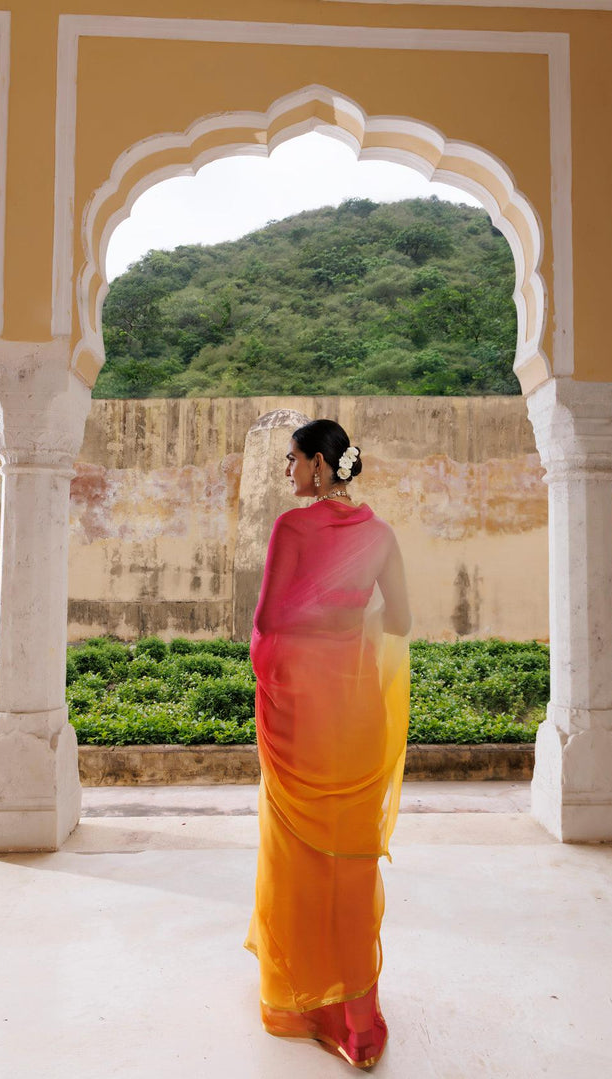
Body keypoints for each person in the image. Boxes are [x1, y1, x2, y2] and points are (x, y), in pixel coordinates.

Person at [245, 418, 411, 1069]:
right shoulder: (380, 536)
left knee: (303, 862)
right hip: (358, 717)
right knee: (352, 860)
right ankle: (359, 1014)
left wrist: (295, 654)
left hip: (303, 725)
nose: (288, 473)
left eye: (292, 461)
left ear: (319, 464)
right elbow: (398, 621)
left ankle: (308, 1001)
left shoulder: (291, 530)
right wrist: (347, 620)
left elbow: (266, 627)